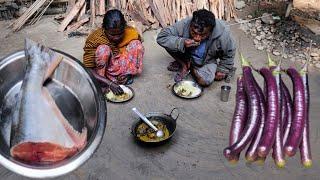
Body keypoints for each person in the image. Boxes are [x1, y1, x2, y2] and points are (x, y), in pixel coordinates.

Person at [156, 9, 236, 86]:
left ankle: (190, 67)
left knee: (205, 81)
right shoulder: (185, 23)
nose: (197, 38)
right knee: (170, 43)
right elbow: (162, 37)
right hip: (186, 53)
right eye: (193, 33)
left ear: (211, 31)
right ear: (190, 25)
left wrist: (223, 68)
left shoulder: (223, 33)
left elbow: (230, 51)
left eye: (203, 35)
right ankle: (184, 64)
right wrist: (182, 42)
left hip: (207, 60)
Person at [83, 9, 144, 95]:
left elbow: (135, 53)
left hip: (121, 65)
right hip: (106, 71)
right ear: (104, 29)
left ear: (124, 28)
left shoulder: (130, 32)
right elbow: (88, 68)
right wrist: (109, 83)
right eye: (112, 35)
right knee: (103, 50)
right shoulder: (95, 39)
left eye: (120, 34)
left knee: (137, 45)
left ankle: (126, 76)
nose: (116, 38)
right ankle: (103, 84)